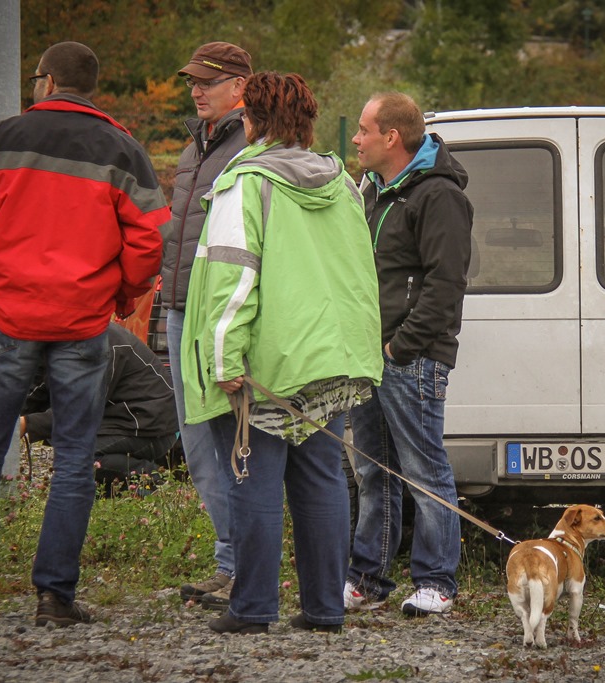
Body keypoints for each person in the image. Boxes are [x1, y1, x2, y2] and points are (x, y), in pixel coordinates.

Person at [0, 41, 168, 627]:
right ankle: (55, 598)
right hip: (82, 326)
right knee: (75, 460)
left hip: (8, 319)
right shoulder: (124, 148)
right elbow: (151, 239)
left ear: (47, 82)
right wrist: (120, 295)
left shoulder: (1, 138)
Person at [181, 71, 382, 635]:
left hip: (268, 368)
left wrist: (224, 361)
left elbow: (230, 281)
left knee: (254, 483)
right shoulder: (342, 185)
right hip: (331, 362)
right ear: (309, 121)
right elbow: (359, 276)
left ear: (252, 121)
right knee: (322, 480)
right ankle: (325, 608)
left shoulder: (244, 182)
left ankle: (251, 609)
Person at [345, 92, 474, 617]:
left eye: (362, 129)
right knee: (374, 471)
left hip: (411, 357)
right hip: (368, 358)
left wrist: (401, 346)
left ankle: (437, 581)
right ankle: (368, 579)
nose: (355, 139)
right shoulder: (371, 190)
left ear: (391, 137)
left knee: (424, 470)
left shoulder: (439, 196)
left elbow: (446, 284)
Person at [161, 41, 252, 610]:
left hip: (216, 316)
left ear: (240, 86)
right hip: (177, 308)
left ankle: (244, 563)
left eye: (209, 82)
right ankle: (231, 560)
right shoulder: (196, 145)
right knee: (197, 445)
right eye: (192, 81)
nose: (196, 90)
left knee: (228, 444)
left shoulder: (250, 146)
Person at [19, 323, 179, 498]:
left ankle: (156, 484)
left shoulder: (102, 344)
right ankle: (110, 494)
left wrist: (28, 424)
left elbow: (81, 410)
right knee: (71, 452)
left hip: (150, 428)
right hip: (118, 421)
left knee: (76, 456)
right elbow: (37, 389)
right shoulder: (55, 340)